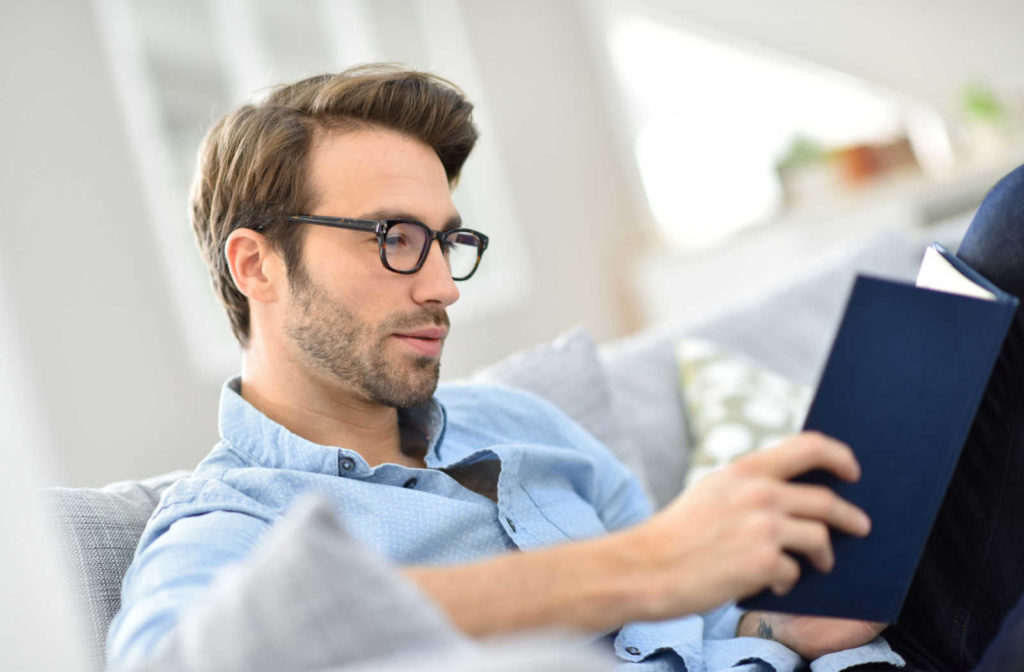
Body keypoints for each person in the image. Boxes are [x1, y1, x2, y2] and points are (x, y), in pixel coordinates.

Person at [104, 64, 1022, 672]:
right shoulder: (229, 524)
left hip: (852, 648)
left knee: (1011, 221)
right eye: (394, 239)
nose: (441, 287)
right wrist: (642, 564)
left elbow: (700, 628)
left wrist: (775, 625)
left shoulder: (524, 429)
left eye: (447, 243)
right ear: (255, 264)